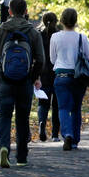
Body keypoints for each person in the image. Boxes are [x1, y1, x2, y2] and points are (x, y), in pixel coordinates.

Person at [0, 0, 44, 167]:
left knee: (4, 116)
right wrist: (33, 77)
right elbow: (40, 59)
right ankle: (22, 157)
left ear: (9, 12)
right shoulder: (33, 32)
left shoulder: (0, 31)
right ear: (26, 12)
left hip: (4, 80)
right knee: (22, 117)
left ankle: (3, 148)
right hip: (24, 81)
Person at [48, 7, 89, 151]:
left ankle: (67, 133)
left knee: (63, 108)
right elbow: (87, 58)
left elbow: (53, 59)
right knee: (76, 108)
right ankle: (75, 140)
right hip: (78, 77)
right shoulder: (81, 37)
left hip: (61, 76)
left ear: (62, 20)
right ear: (76, 20)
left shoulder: (55, 37)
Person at [36, 11, 59, 142]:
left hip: (42, 72)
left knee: (43, 102)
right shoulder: (58, 35)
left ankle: (41, 123)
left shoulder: (38, 34)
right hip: (56, 72)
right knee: (56, 105)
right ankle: (55, 134)